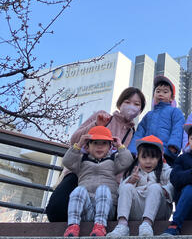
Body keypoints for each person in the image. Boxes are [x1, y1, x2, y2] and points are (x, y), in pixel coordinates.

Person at [46, 87, 146, 222]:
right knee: (57, 209)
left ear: (140, 110)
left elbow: (124, 162)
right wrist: (96, 125)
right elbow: (74, 140)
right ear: (120, 103)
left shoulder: (133, 134)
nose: (131, 106)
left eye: (136, 104)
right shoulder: (103, 116)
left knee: (105, 208)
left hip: (107, 179)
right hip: (80, 172)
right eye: (127, 102)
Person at [62, 126, 133, 237]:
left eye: (104, 143)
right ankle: (73, 226)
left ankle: (100, 226)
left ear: (110, 146)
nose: (99, 147)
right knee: (78, 190)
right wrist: (78, 144)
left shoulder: (113, 160)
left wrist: (120, 146)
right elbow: (67, 162)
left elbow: (127, 161)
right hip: (86, 208)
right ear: (87, 146)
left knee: (103, 189)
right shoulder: (81, 160)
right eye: (95, 143)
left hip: (107, 207)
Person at [107, 135, 173, 237]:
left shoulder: (166, 170)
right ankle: (122, 225)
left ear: (159, 157)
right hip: (137, 210)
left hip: (159, 211)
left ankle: (147, 224)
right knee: (126, 186)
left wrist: (163, 190)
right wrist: (131, 181)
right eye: (144, 157)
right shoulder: (133, 171)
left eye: (152, 157)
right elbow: (121, 191)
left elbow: (173, 186)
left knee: (155, 187)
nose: (148, 161)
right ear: (138, 157)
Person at [129, 76, 185, 166]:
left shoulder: (175, 112)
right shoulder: (149, 115)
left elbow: (178, 129)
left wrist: (173, 145)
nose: (160, 94)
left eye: (165, 92)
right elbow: (139, 133)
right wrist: (132, 150)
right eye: (157, 91)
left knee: (163, 177)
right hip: (145, 153)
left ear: (172, 98)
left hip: (165, 153)